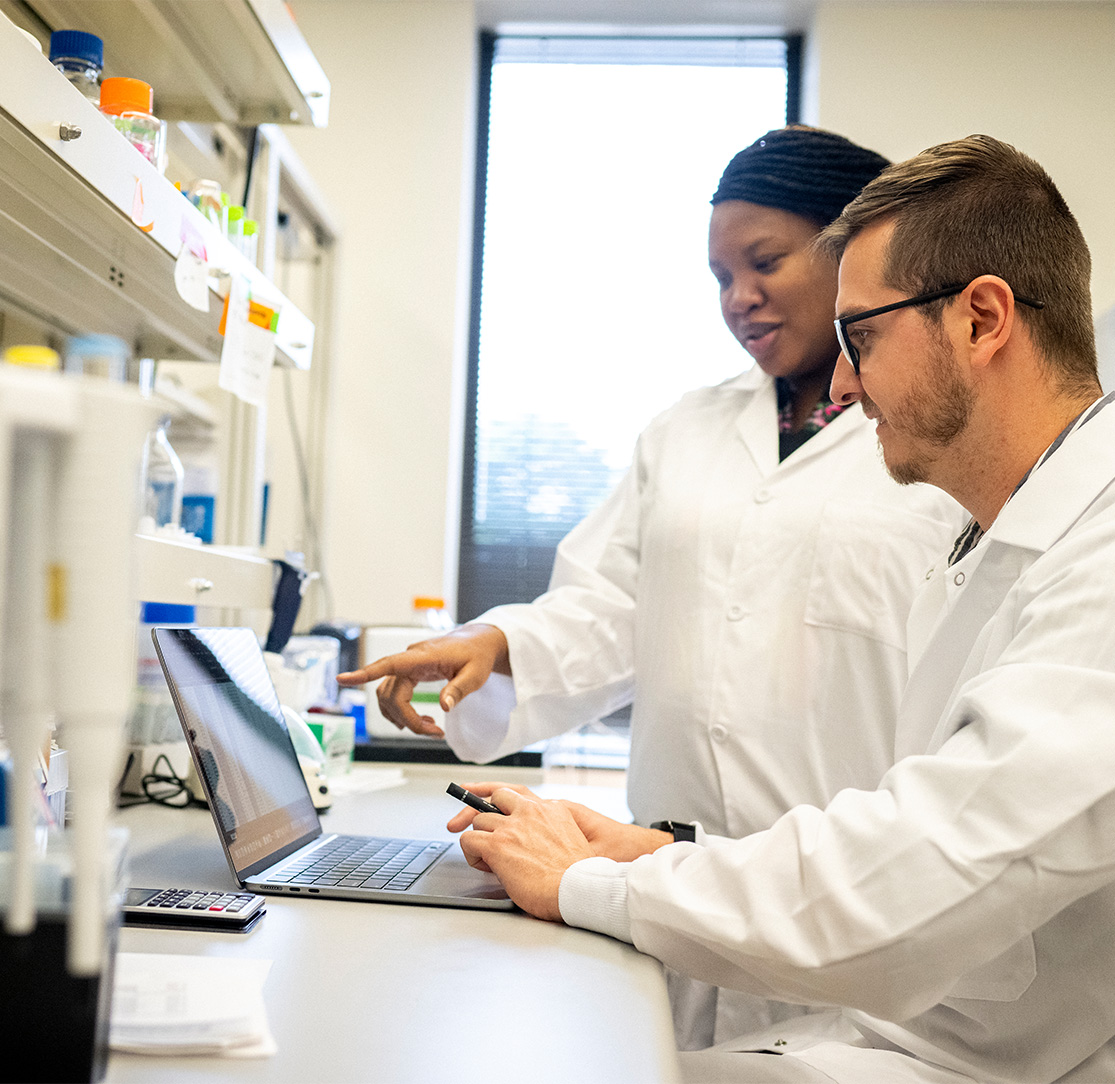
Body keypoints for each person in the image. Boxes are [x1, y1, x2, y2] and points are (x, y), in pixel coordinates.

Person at [446, 134, 1115, 1083]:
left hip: (975, 1044)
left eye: (864, 338)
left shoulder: (1094, 555)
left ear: (979, 320)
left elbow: (927, 867)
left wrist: (595, 881)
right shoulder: (1002, 538)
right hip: (883, 1001)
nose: (844, 384)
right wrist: (648, 859)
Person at [340, 128, 963, 1045]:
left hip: (853, 907)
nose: (737, 299)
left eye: (763, 262)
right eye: (719, 277)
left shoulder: (931, 432)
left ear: (854, 251)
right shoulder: (686, 428)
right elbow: (619, 605)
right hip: (665, 884)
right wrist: (500, 644)